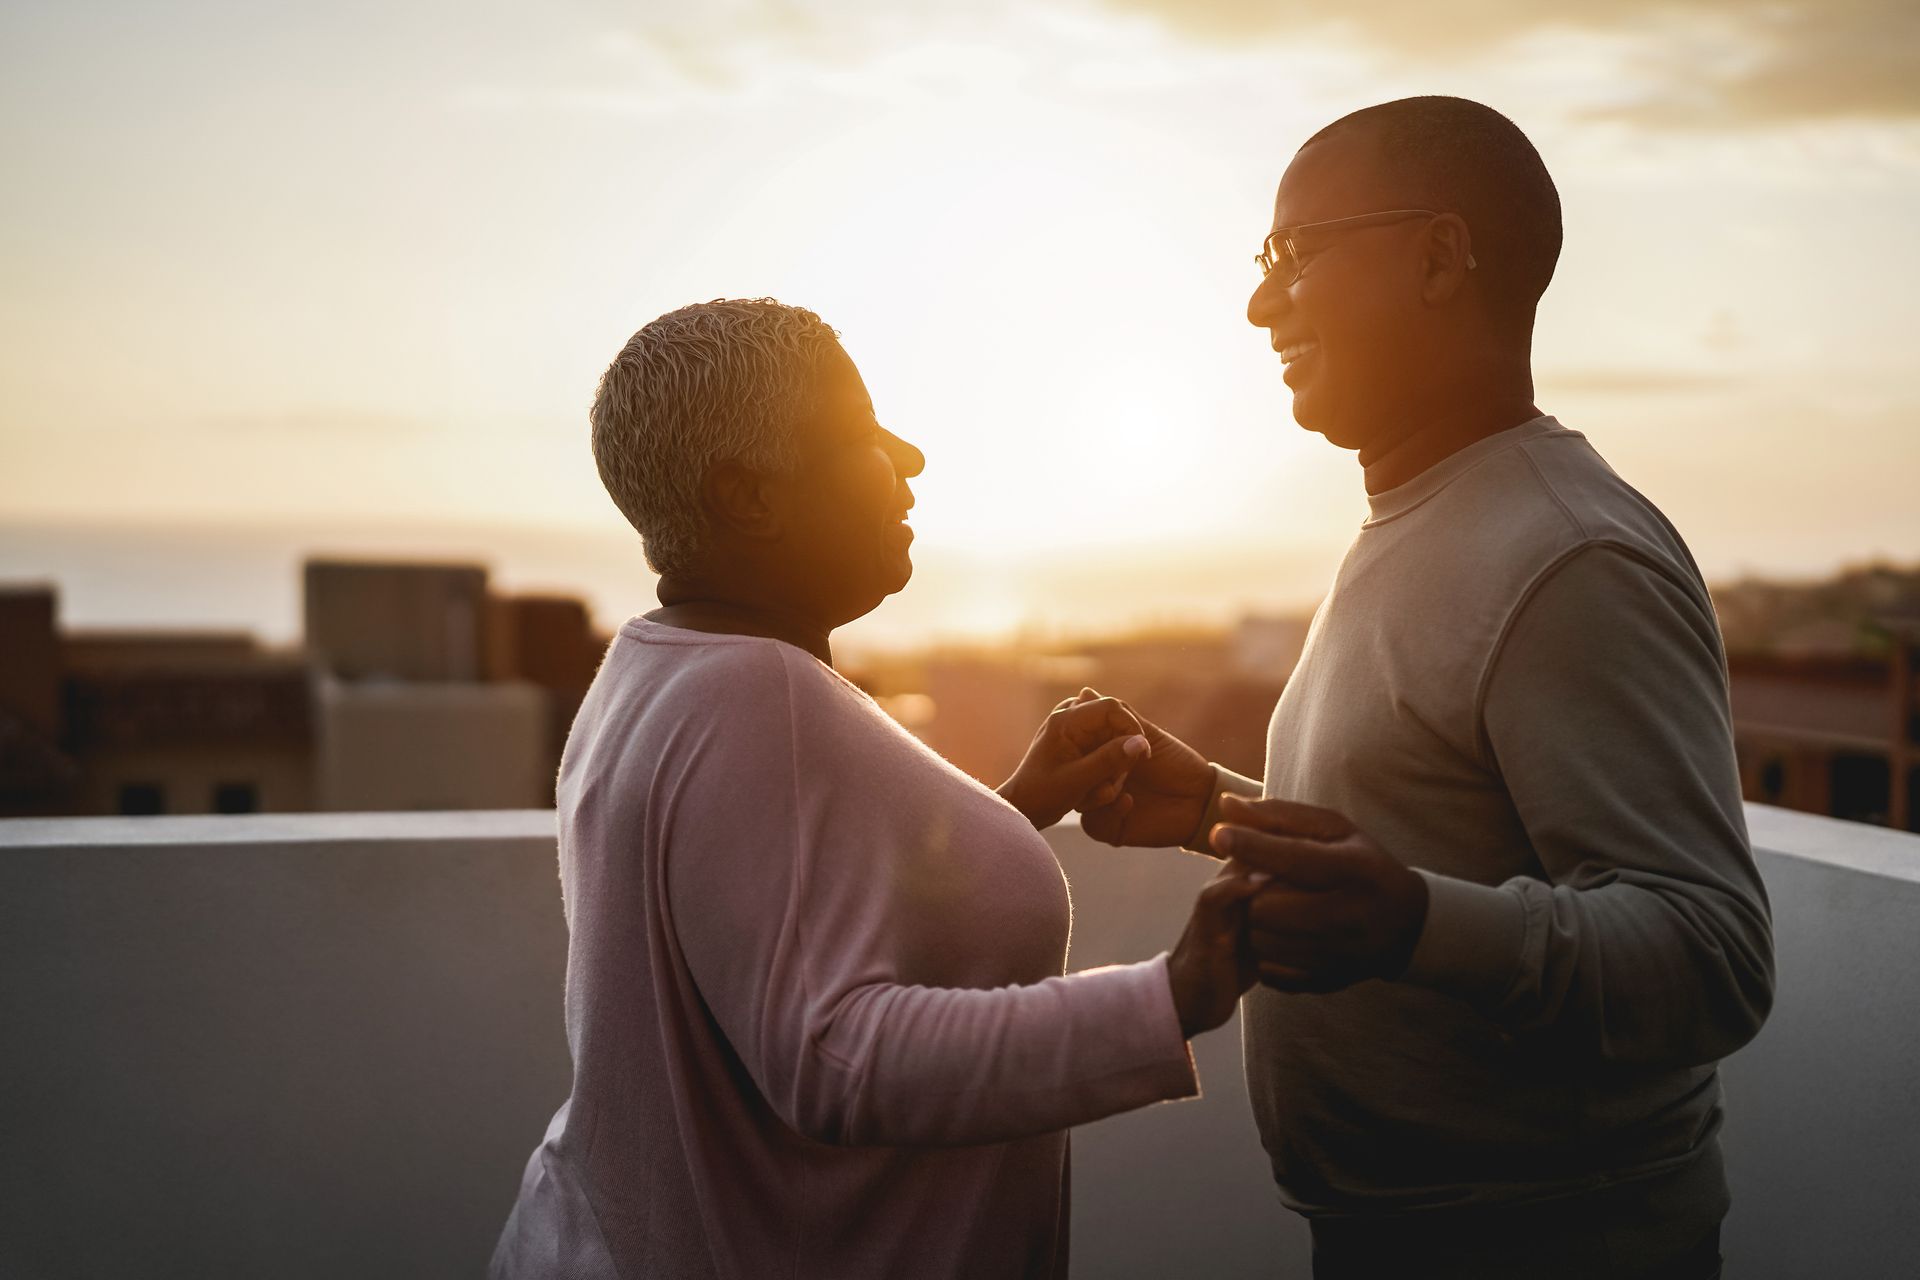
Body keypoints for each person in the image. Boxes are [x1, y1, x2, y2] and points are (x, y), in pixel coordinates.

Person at [1078, 97, 1775, 1279]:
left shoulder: (1568, 556)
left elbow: (1713, 954)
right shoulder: (1424, 515)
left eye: (1295, 254)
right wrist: (1217, 811)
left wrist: (1408, 924)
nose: (1259, 303)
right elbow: (1439, 826)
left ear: (1439, 256)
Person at [490, 299, 1281, 1280]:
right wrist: (1174, 991)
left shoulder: (655, 669)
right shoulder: (753, 694)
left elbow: (769, 913)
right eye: (861, 434)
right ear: (749, 497)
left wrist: (1003, 814)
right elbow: (830, 1053)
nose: (907, 459)